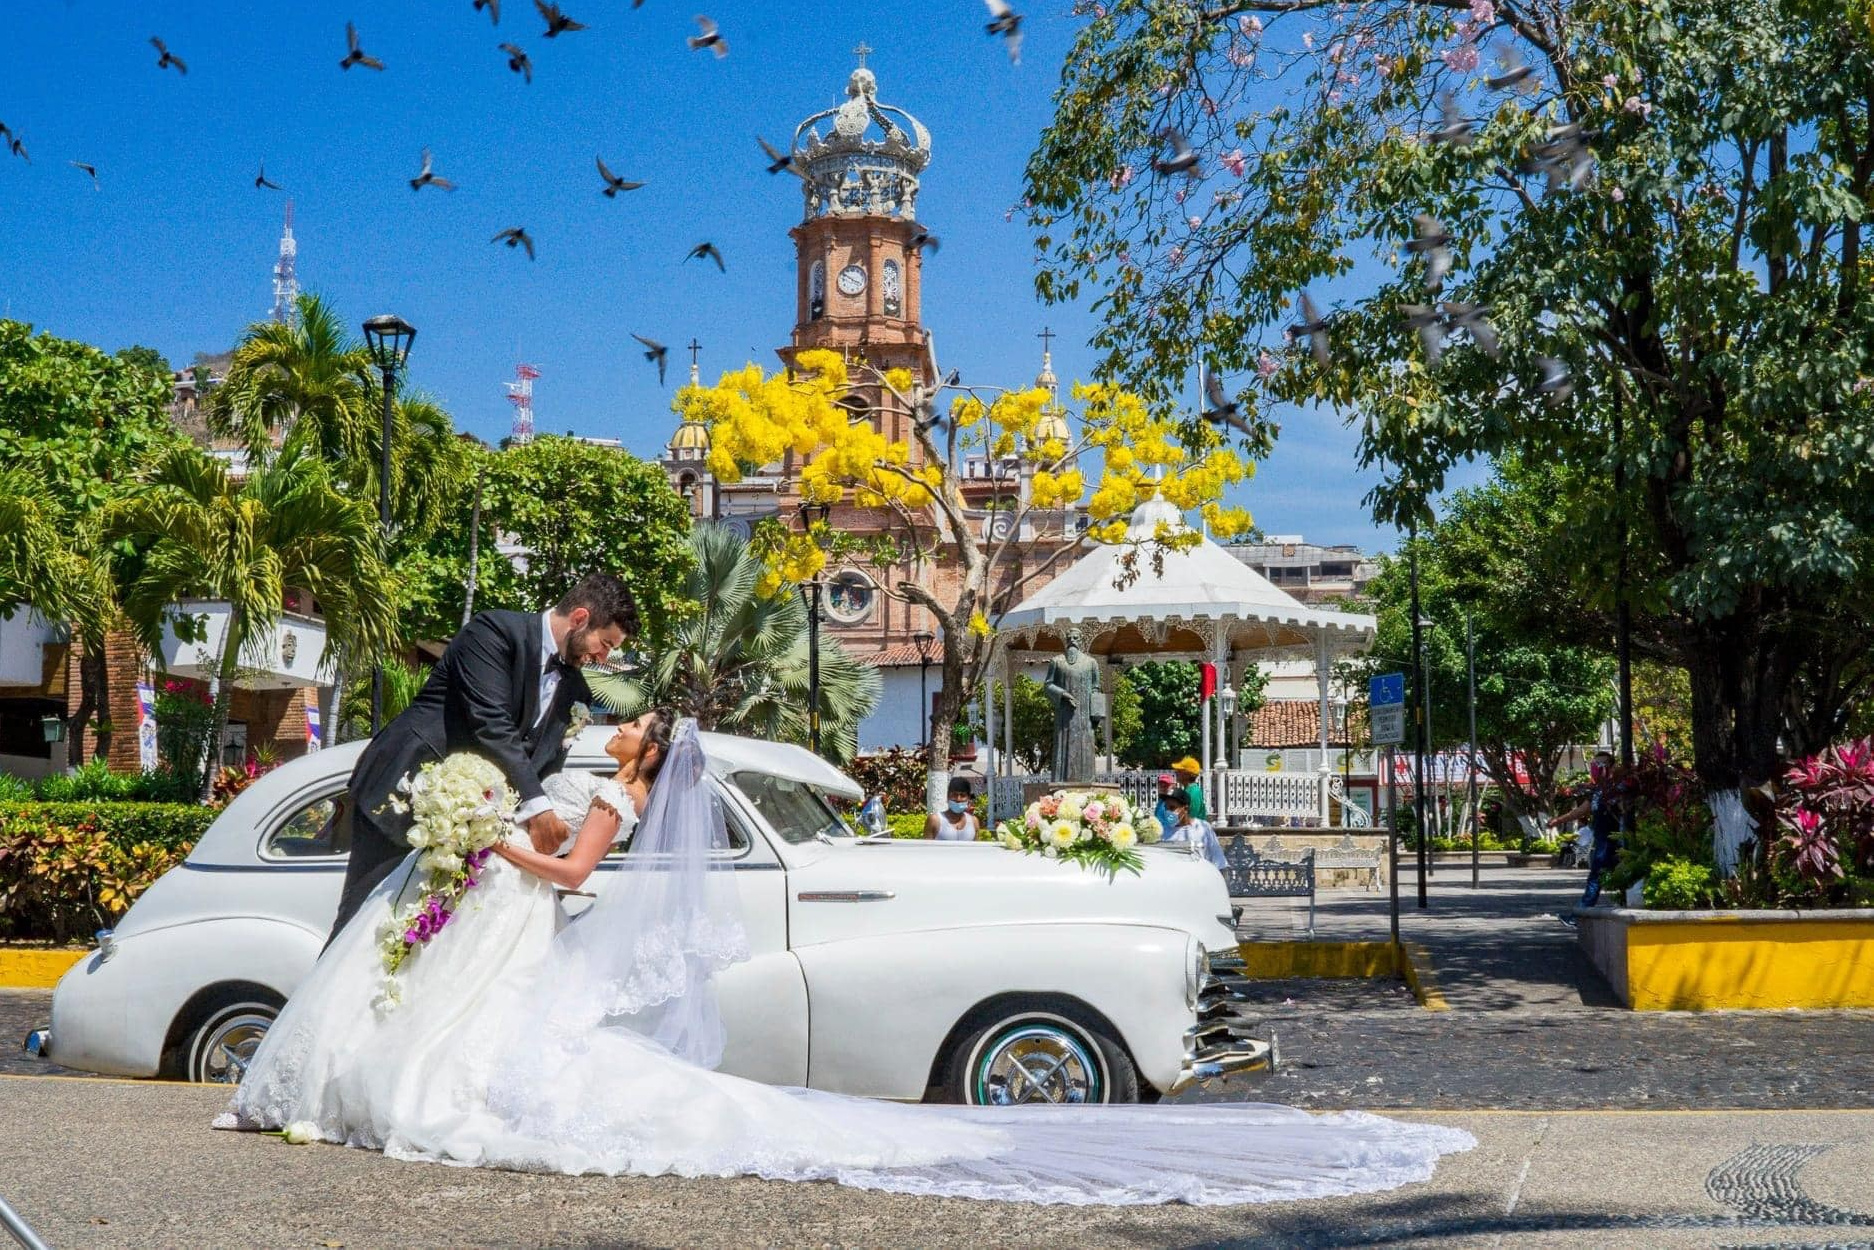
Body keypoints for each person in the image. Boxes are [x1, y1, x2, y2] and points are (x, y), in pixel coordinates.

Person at [219, 719, 1472, 1205]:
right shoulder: (595, 788)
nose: (614, 724)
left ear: (643, 764)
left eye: (632, 731)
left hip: (519, 905)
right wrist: (495, 832)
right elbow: (567, 852)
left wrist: (503, 838)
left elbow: (570, 860)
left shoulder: (605, 795)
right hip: (496, 915)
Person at [328, 573, 634, 940]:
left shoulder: (576, 690)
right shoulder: (493, 633)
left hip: (476, 828)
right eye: (605, 643)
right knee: (361, 925)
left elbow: (546, 767)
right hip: (404, 793)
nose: (604, 656)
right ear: (580, 618)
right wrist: (539, 811)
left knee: (428, 940)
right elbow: (490, 723)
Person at [1548, 750, 1624, 924]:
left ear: (1612, 767)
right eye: (1594, 765)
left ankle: (1578, 917)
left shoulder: (1618, 789)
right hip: (1602, 840)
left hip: (1613, 841)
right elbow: (1581, 810)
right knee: (1614, 878)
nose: (1597, 769)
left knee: (1596, 878)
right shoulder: (1597, 790)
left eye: (1602, 765)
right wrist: (1558, 821)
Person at [1161, 787, 1228, 871]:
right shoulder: (1163, 832)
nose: (1168, 812)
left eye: (1172, 808)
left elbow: (1219, 861)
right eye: (1166, 808)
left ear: (1185, 809)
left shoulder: (1203, 828)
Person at [923, 776, 979, 840]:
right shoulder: (935, 820)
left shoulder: (974, 822)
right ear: (948, 796)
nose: (958, 799)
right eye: (954, 795)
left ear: (968, 798)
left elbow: (976, 848)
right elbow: (926, 848)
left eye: (962, 795)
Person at [1171, 755, 1208, 822]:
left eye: (1179, 771)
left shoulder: (1194, 792)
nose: (1176, 772)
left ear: (1187, 774)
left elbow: (1191, 819)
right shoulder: (1188, 790)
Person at [1153, 772, 1177, 836]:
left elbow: (1173, 823)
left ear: (1172, 786)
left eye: (1166, 785)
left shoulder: (1173, 802)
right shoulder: (1161, 800)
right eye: (1161, 785)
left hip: (1169, 836)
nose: (1163, 787)